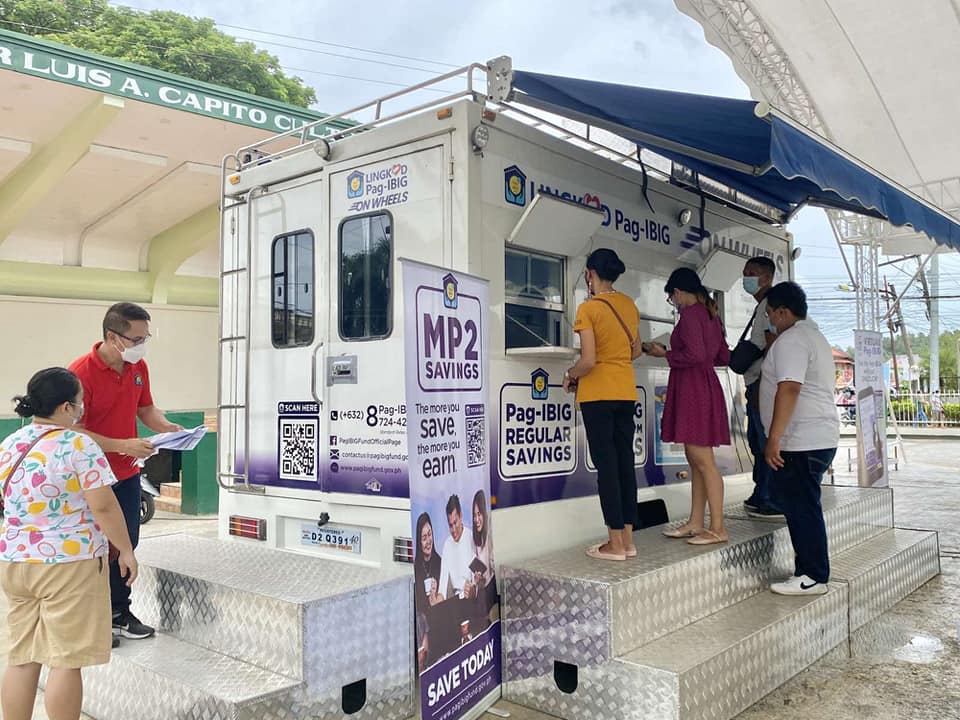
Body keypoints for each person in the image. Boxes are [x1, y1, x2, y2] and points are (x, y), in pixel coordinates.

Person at [0, 368, 138, 720]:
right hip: (68, 564)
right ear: (65, 407)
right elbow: (104, 505)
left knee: (22, 656)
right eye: (79, 404)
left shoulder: (11, 443)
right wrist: (126, 550)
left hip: (16, 562)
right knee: (66, 659)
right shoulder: (78, 444)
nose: (80, 411)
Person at [68, 302, 182, 641]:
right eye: (136, 338)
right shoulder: (80, 374)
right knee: (94, 548)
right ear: (112, 337)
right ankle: (91, 619)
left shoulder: (138, 367)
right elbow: (73, 432)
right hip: (90, 477)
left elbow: (146, 409)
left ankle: (119, 612)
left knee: (126, 543)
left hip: (127, 474)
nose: (142, 345)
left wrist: (167, 427)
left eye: (146, 337)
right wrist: (122, 445)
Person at [563, 248, 642, 561]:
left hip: (597, 395)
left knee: (607, 467)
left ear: (590, 274)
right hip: (625, 391)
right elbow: (635, 351)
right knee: (624, 464)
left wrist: (570, 375)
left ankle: (614, 544)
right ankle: (628, 540)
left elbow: (589, 360)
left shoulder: (589, 309)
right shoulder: (629, 305)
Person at [760, 282, 839, 595]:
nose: (769, 320)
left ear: (782, 312)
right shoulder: (813, 336)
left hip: (802, 440)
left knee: (802, 506)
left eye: (770, 314)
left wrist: (774, 437)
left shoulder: (792, 340)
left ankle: (813, 575)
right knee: (801, 504)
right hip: (815, 437)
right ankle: (807, 569)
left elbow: (789, 387)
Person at [646, 267, 731, 545]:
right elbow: (720, 355)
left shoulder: (691, 314)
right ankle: (696, 522)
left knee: (703, 462)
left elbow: (694, 354)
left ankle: (717, 528)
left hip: (692, 388)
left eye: (673, 296)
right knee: (696, 462)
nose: (674, 301)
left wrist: (665, 353)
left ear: (679, 291)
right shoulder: (711, 315)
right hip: (704, 385)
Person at [739, 257, 782, 518]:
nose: (747, 278)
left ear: (766, 277)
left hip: (763, 384)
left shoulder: (770, 306)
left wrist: (764, 386)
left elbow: (772, 344)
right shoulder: (761, 306)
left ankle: (772, 497)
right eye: (745, 273)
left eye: (752, 273)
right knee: (756, 441)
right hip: (755, 382)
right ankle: (761, 492)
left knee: (765, 441)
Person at [413, 513, 442, 671]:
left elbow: (445, 598)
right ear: (418, 541)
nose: (428, 540)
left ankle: (426, 661)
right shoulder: (416, 567)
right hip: (423, 619)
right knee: (420, 617)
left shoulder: (439, 562)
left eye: (429, 534)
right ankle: (423, 662)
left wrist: (436, 596)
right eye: (424, 537)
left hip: (437, 614)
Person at [437, 495, 476, 601]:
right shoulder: (447, 545)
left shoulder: (471, 538)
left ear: (461, 516)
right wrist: (437, 601)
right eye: (450, 525)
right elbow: (443, 585)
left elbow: (476, 581)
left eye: (455, 522)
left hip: (472, 600)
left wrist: (472, 589)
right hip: (456, 602)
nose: (453, 530)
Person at [471, 490, 497, 615]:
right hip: (481, 588)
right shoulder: (475, 538)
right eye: (474, 515)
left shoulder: (490, 527)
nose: (476, 519)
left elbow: (493, 565)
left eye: (479, 514)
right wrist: (477, 580)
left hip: (492, 585)